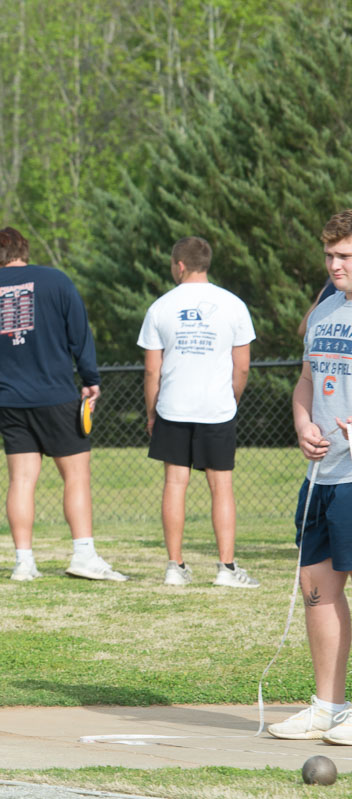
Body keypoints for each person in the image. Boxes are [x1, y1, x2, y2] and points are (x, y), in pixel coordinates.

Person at [0, 227, 126, 582]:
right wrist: (90, 379)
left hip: (9, 397)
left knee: (22, 480)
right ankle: (83, 555)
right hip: (56, 393)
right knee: (76, 476)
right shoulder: (56, 280)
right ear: (24, 250)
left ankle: (24, 562)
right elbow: (79, 333)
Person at [268, 210, 352, 742]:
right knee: (316, 585)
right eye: (330, 256)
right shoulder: (325, 312)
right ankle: (328, 707)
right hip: (323, 474)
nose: (335, 264)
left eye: (345, 256)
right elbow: (306, 380)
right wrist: (303, 422)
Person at [137, 236, 258, 588]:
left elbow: (151, 372)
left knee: (175, 483)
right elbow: (243, 367)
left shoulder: (160, 307)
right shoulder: (233, 305)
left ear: (179, 265)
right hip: (217, 409)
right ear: (206, 263)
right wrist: (230, 400)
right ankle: (227, 568)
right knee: (222, 487)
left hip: (173, 407)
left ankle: (175, 567)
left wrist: (151, 413)